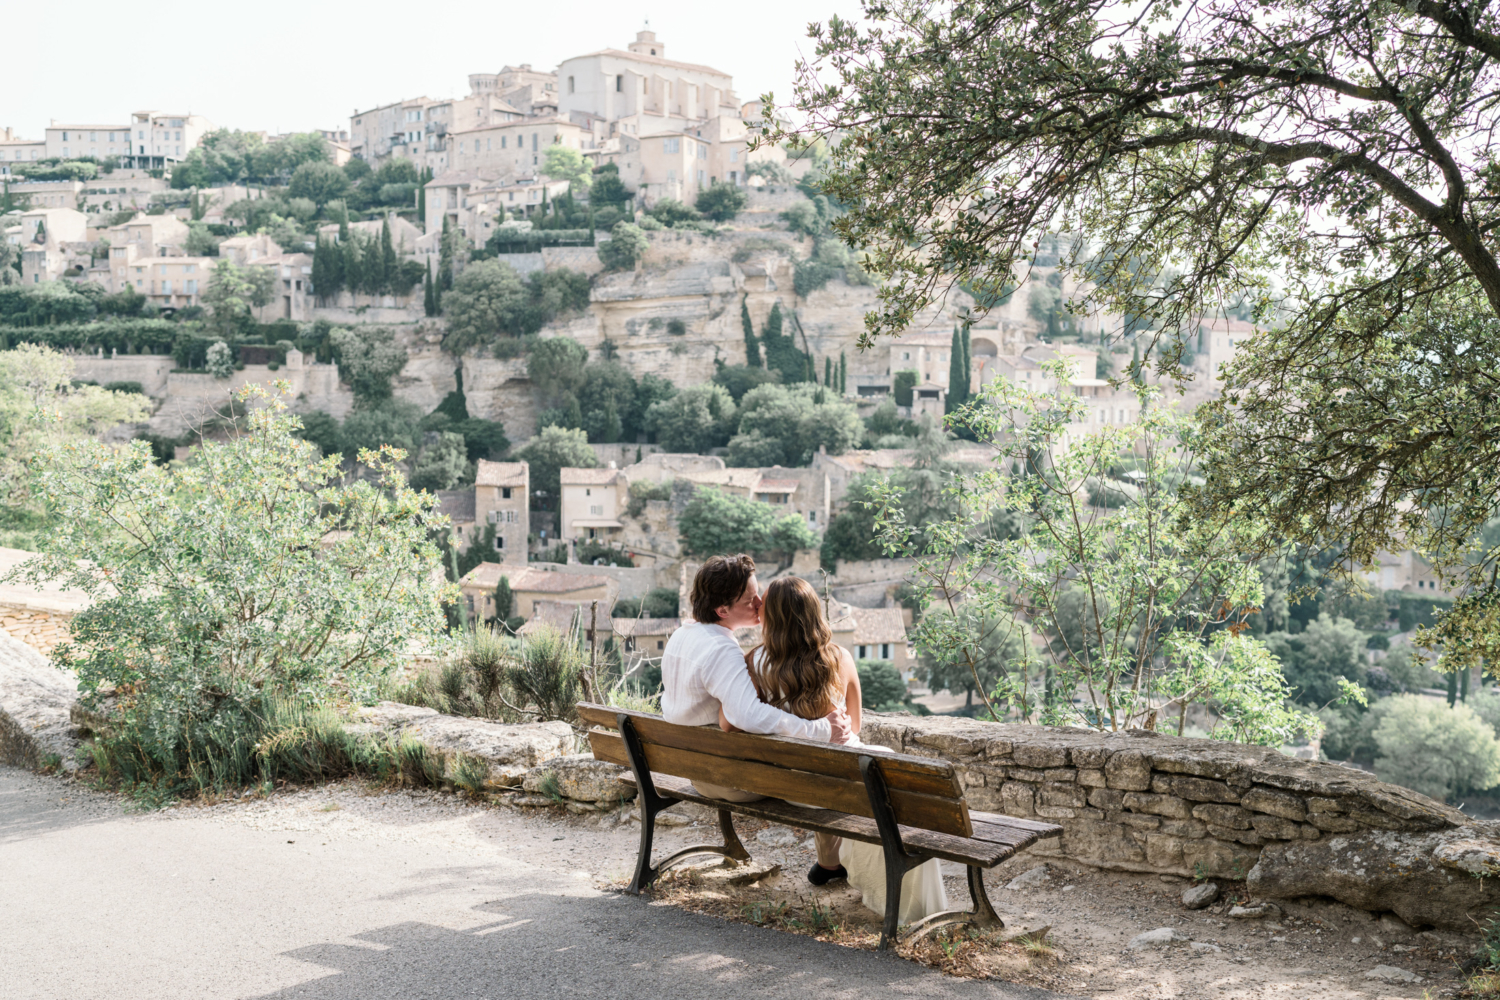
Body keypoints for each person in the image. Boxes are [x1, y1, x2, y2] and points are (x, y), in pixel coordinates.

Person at [722, 576, 947, 921]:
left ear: (772, 618)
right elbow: (852, 727)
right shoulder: (838, 658)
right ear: (814, 613)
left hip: (793, 786)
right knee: (889, 783)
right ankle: (914, 906)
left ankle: (829, 864)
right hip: (843, 780)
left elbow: (730, 719)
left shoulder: (752, 664)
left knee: (826, 776)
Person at [660, 554, 850, 803]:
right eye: (751, 600)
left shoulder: (682, 635)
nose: (761, 603)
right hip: (731, 780)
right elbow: (745, 715)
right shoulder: (720, 648)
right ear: (722, 610)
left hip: (697, 771)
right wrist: (821, 730)